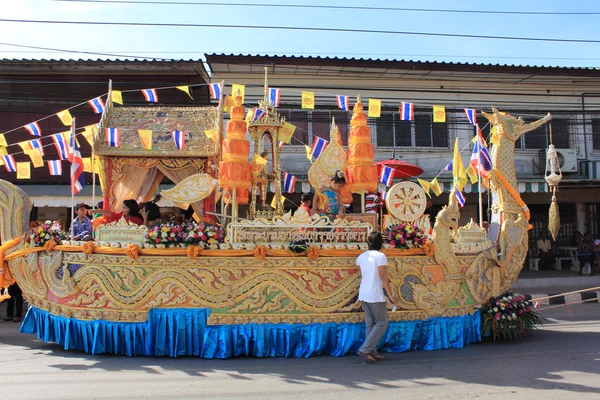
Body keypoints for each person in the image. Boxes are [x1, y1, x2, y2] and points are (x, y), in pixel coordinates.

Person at [355, 232, 398, 363]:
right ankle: (365, 349)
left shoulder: (361, 256)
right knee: (382, 322)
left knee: (370, 323)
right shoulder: (381, 256)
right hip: (374, 293)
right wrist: (390, 294)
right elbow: (384, 277)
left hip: (363, 292)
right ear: (380, 243)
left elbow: (363, 276)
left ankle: (371, 351)